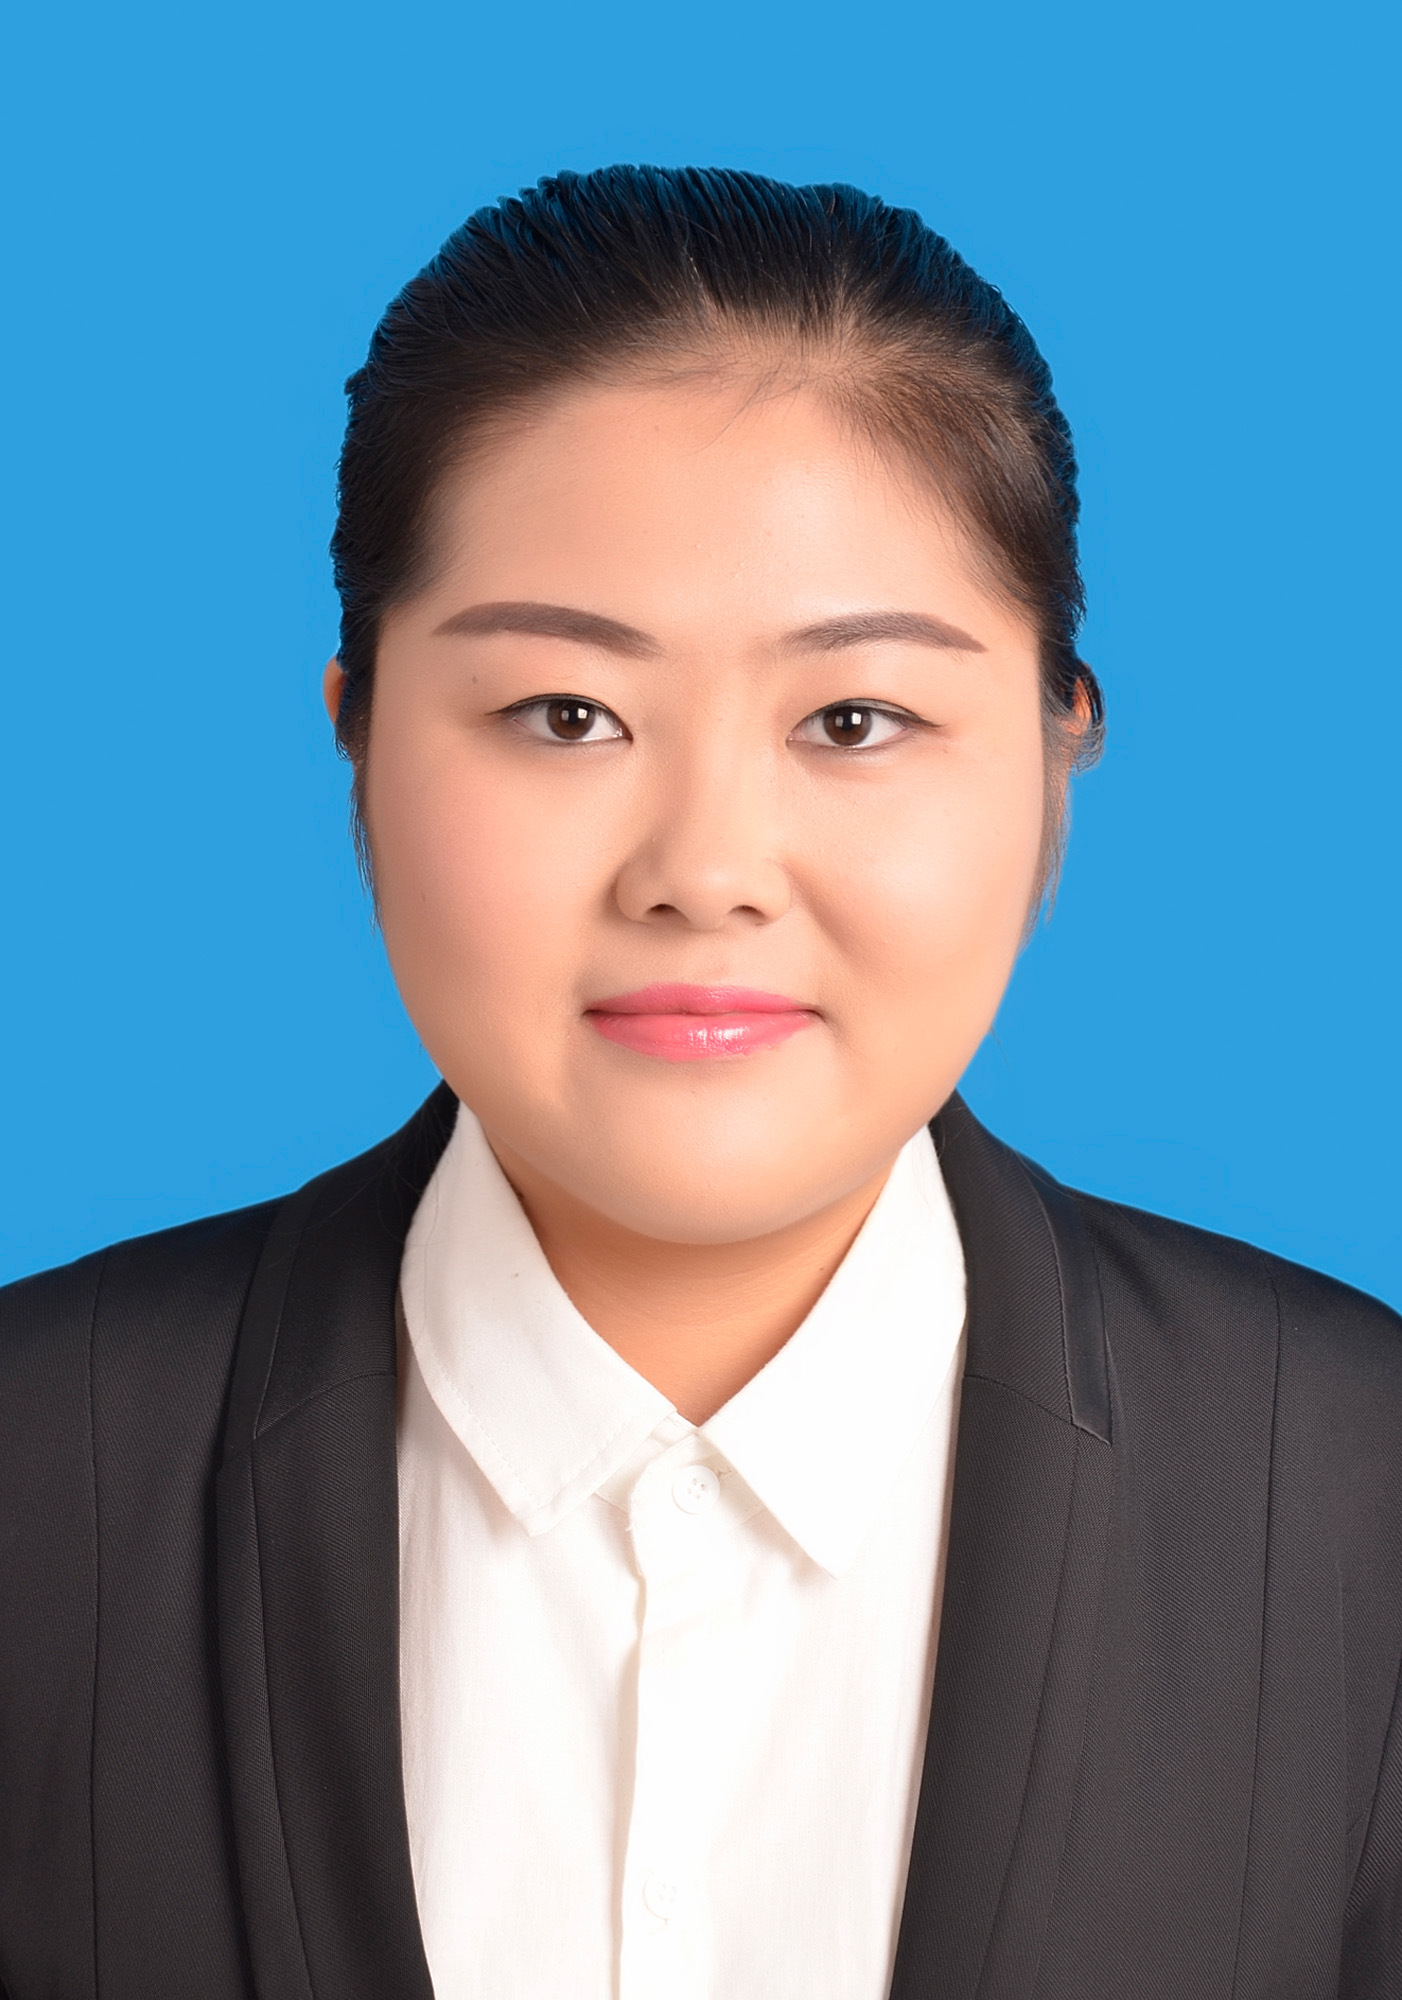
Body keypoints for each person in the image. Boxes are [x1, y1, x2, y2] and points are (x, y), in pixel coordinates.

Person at [1, 166, 1398, 2000]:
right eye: (565, 716)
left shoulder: (1357, 1496)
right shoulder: (35, 1475)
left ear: (1058, 744)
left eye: (853, 720)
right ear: (356, 733)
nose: (705, 870)